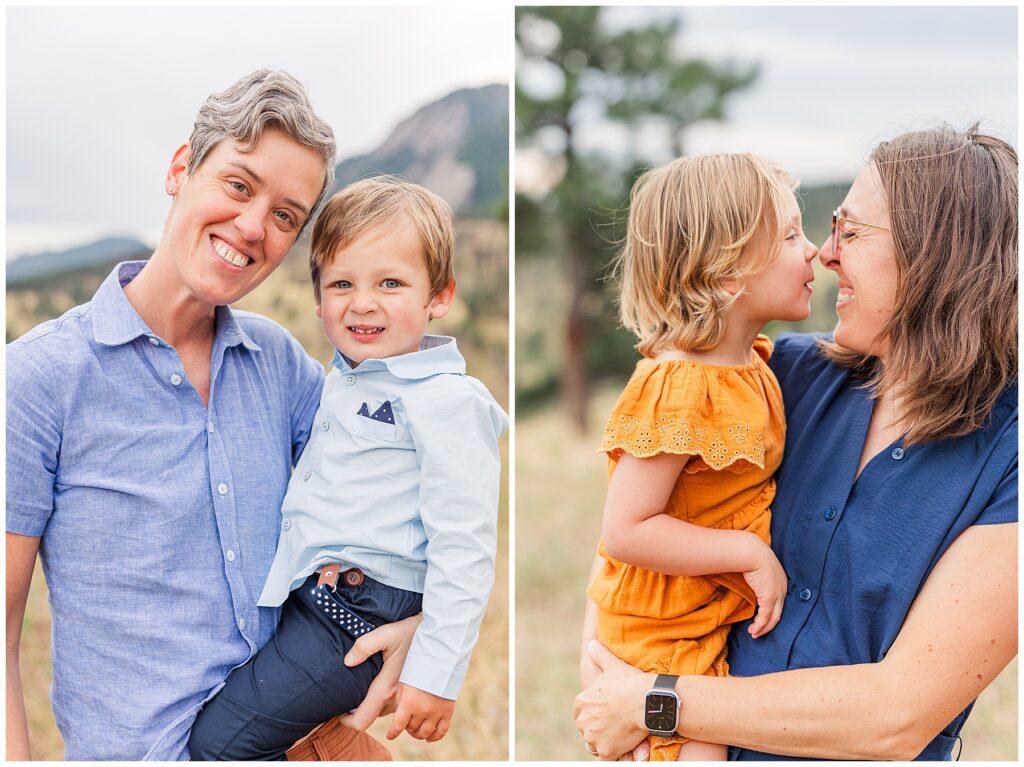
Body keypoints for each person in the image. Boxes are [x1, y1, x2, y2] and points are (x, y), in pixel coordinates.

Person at [6, 68, 419, 761]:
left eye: (286, 215)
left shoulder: (281, 365)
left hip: (299, 743)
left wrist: (421, 625)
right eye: (238, 184)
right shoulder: (41, 378)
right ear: (181, 168)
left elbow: (388, 504)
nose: (253, 226)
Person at [574, 125, 1017, 761]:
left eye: (852, 231)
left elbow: (898, 714)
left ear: (935, 255)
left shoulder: (1011, 457)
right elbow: (633, 535)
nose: (826, 252)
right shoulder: (777, 377)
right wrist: (610, 683)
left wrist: (651, 700)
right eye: (823, 228)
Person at [187, 177, 507, 760]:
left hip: (359, 617)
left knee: (218, 743)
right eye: (341, 283)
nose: (362, 302)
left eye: (390, 282)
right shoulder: (345, 379)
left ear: (439, 296)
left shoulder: (449, 402)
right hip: (316, 599)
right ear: (317, 299)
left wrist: (437, 672)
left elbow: (466, 545)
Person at [587, 154, 816, 761]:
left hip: (705, 612)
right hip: (662, 625)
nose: (814, 250)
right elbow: (624, 529)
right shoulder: (680, 383)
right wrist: (746, 551)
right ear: (723, 276)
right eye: (792, 236)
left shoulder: (755, 364)